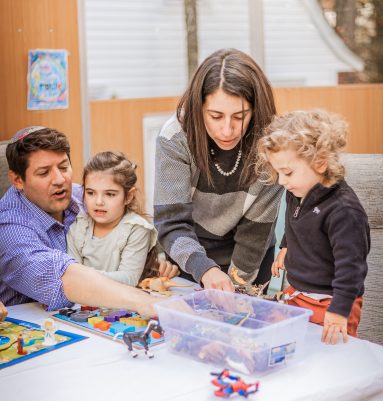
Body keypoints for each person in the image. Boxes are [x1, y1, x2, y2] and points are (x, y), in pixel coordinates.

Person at [0, 126, 177, 316]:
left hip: (87, 313)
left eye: (63, 167)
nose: (60, 180)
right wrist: (146, 302)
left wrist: (148, 260)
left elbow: (125, 227)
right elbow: (62, 278)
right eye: (44, 173)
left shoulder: (82, 195)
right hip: (32, 323)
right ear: (17, 180)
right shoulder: (9, 227)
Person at [154, 48, 283, 291]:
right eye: (215, 116)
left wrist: (235, 291)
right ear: (198, 108)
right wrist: (205, 269)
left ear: (255, 110)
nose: (227, 130)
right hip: (189, 257)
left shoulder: (272, 141)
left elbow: (255, 234)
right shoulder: (174, 137)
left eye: (239, 116)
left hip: (250, 259)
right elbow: (171, 223)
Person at [256, 109, 370, 345]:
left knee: (330, 359)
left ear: (319, 163)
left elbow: (352, 269)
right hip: (296, 294)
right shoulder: (297, 190)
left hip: (330, 301)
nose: (281, 181)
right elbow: (294, 221)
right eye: (277, 172)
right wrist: (286, 246)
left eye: (286, 172)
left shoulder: (344, 212)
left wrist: (339, 311)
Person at [67, 151, 159, 287]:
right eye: (90, 193)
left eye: (110, 194)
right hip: (85, 304)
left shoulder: (136, 229)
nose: (98, 202)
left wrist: (83, 276)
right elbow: (72, 278)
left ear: (128, 196)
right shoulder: (78, 226)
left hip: (123, 304)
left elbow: (128, 279)